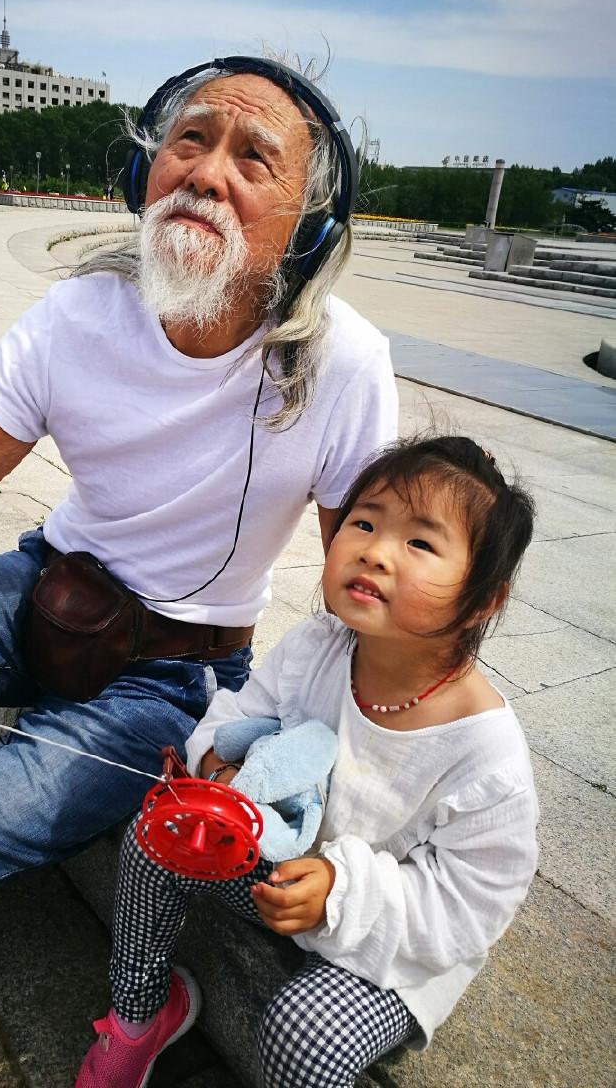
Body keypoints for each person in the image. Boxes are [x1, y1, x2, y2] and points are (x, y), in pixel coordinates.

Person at [0, 55, 398, 1086]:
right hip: (41, 586)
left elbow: (361, 594)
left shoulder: (343, 366)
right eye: (190, 138)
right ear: (141, 167)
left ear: (307, 228)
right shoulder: (74, 317)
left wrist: (350, 787)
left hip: (174, 678)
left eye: (253, 157)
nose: (207, 169)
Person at [75, 435, 539, 1088]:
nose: (375, 550)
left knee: (305, 1031)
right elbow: (243, 711)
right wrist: (215, 766)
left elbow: (467, 910)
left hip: (392, 945)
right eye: (365, 522)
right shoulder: (319, 645)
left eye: (421, 543)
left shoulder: (484, 755)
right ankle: (141, 1011)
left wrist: (340, 893)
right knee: (158, 837)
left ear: (484, 597)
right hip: (277, 871)